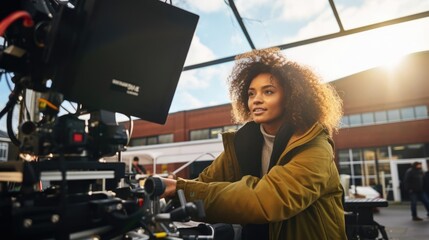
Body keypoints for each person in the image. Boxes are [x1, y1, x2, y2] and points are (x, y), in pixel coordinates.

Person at [161, 48, 346, 239]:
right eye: (251, 94)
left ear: (291, 97)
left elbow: (267, 199)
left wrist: (181, 188)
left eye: (268, 91)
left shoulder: (315, 146)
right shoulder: (242, 143)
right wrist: (167, 189)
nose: (256, 100)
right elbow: (204, 184)